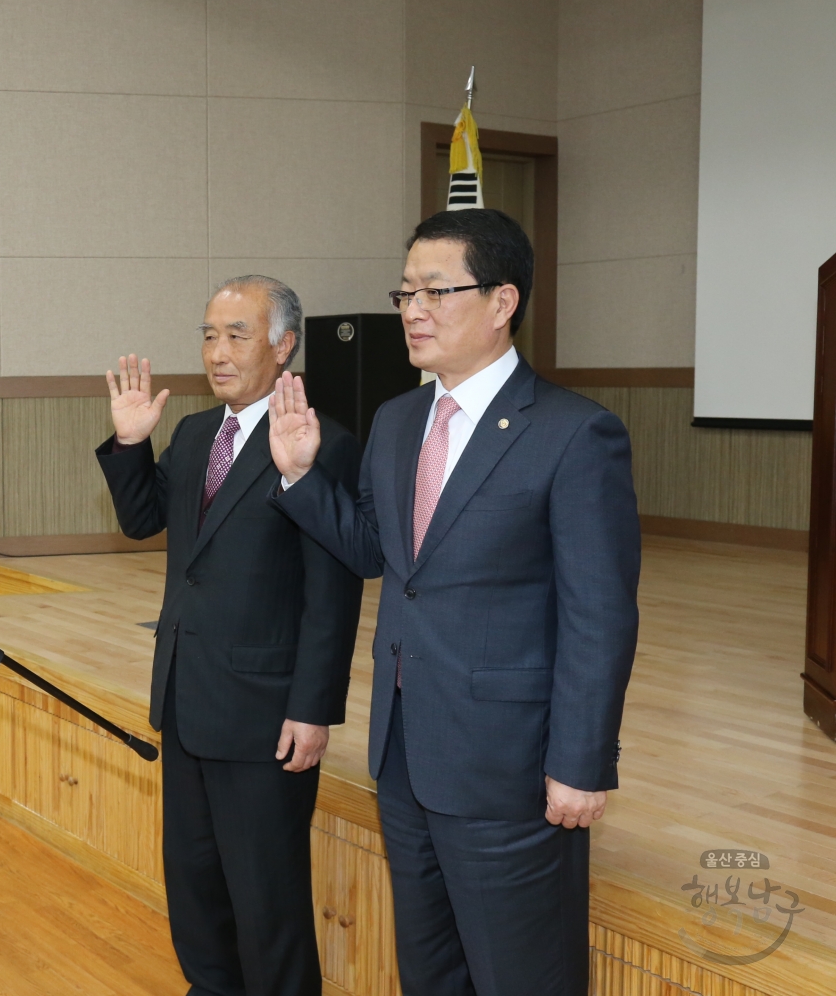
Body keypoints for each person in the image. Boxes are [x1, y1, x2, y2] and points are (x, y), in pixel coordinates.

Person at [267, 209, 640, 994]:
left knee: (521, 974)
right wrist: (303, 477)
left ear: (503, 301)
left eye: (436, 291)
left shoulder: (576, 434)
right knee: (430, 970)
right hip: (405, 754)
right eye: (405, 293)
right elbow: (379, 553)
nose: (412, 311)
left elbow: (598, 615)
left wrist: (581, 760)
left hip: (510, 766)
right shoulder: (399, 419)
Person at [96, 276, 363, 996]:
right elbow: (143, 519)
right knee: (195, 886)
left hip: (264, 713)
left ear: (284, 346)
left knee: (267, 900)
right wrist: (129, 445)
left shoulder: (321, 444)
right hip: (186, 699)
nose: (218, 352)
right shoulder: (192, 433)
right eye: (209, 335)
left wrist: (313, 707)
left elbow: (331, 590)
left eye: (237, 335)